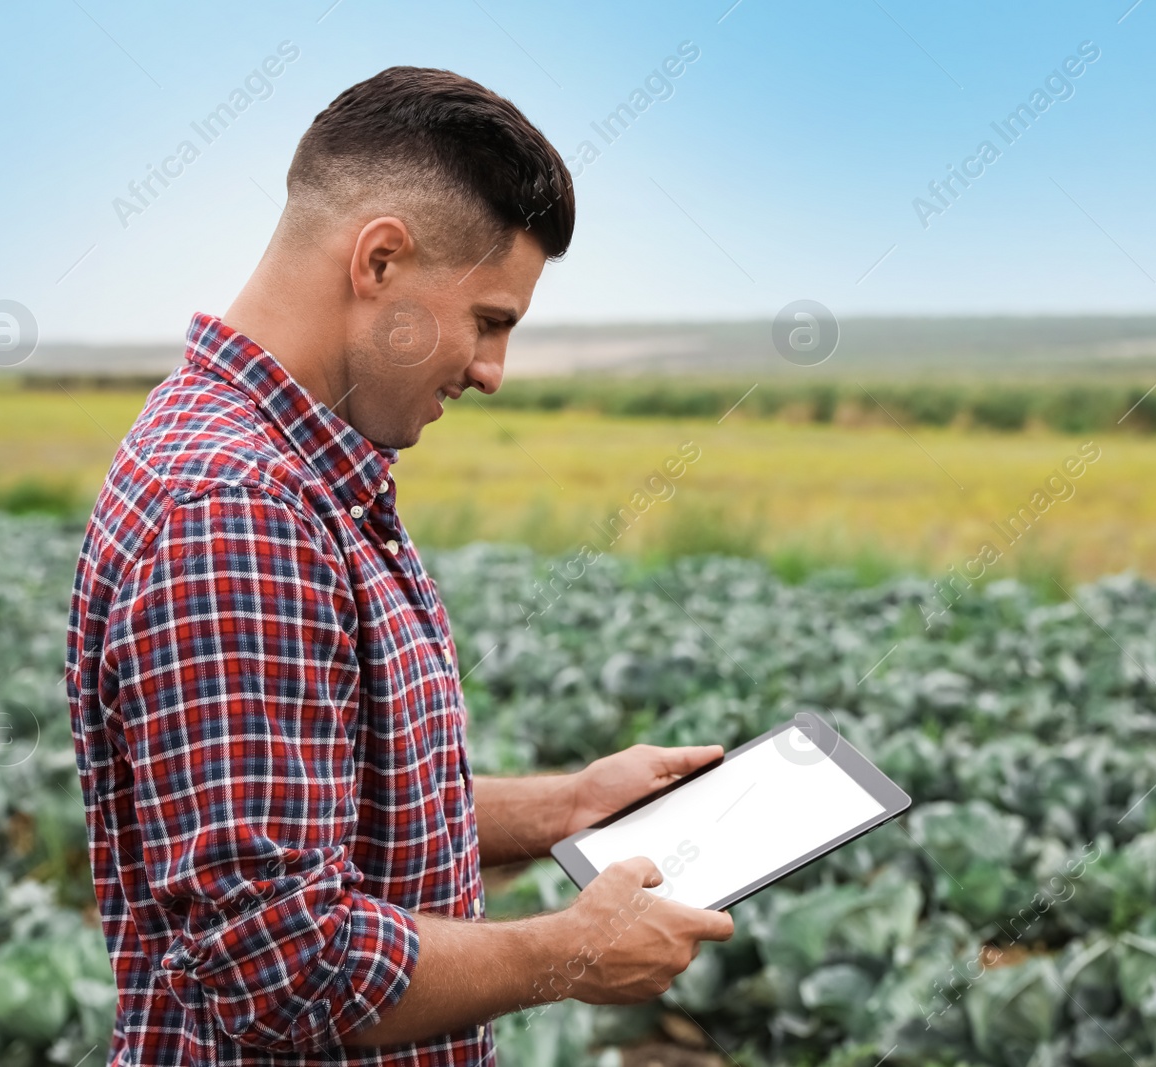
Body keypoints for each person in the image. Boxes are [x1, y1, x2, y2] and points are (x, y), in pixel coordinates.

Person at [64, 65, 733, 1067]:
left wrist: (567, 805)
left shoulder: (289, 466)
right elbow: (277, 966)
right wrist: (567, 953)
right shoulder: (242, 513)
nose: (491, 371)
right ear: (379, 259)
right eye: (490, 319)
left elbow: (334, 814)